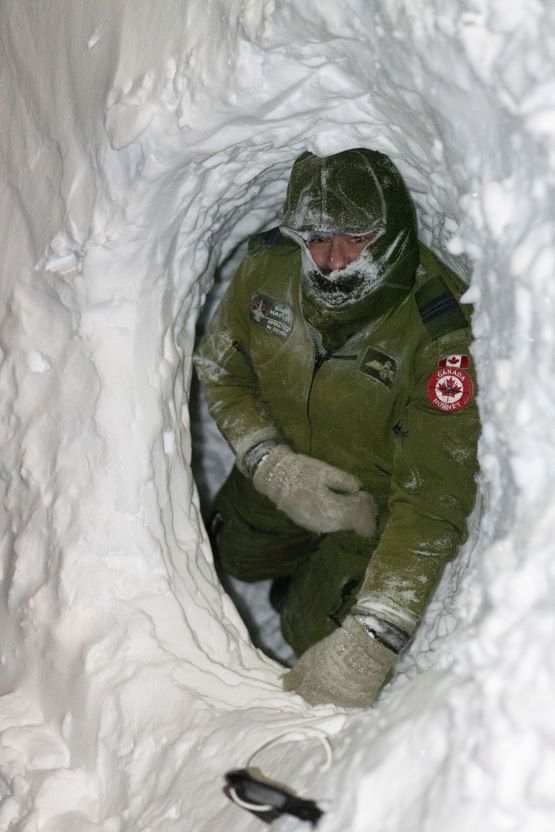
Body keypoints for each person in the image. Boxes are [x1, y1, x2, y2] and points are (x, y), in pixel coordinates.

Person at [194, 148, 479, 708]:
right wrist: (271, 465)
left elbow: (433, 500)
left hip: (370, 513)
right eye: (317, 238)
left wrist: (373, 638)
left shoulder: (439, 338)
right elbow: (220, 369)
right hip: (285, 470)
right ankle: (292, 561)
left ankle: (306, 591)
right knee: (229, 555)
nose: (332, 260)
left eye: (356, 238)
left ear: (391, 233)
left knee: (311, 633)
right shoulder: (268, 271)